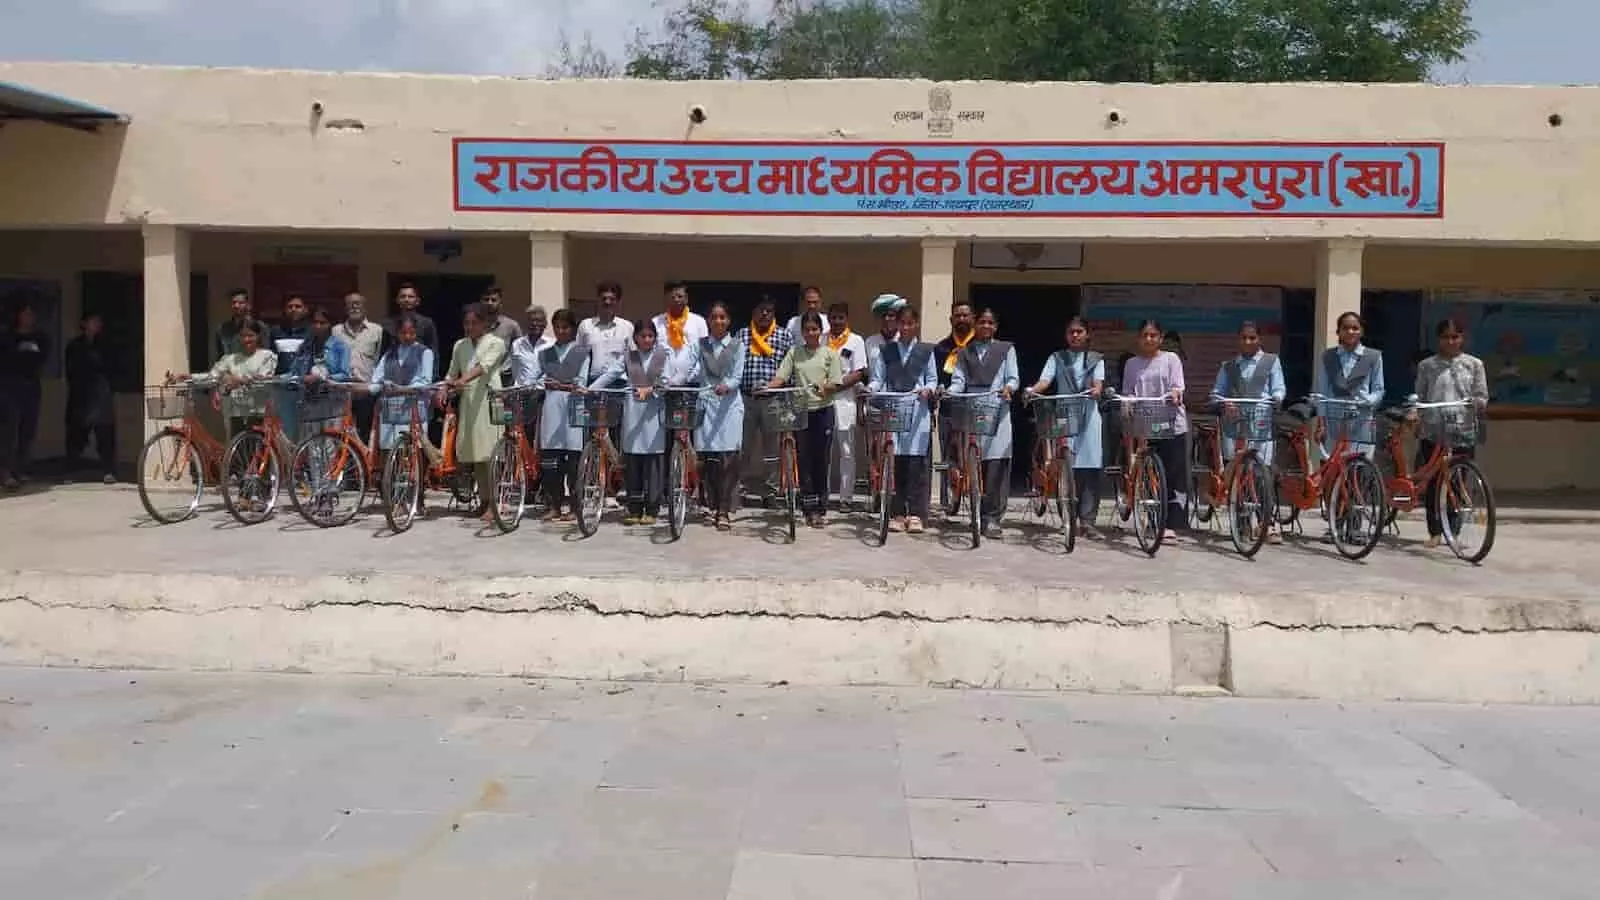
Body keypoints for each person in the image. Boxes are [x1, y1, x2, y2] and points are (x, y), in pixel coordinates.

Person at [590, 318, 694, 526]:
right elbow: (610, 374)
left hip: (654, 415)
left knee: (653, 463)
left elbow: (666, 382)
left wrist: (652, 389)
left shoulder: (662, 356)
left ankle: (652, 509)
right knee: (633, 463)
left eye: (650, 336)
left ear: (655, 338)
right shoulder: (628, 357)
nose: (647, 340)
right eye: (642, 336)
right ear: (635, 338)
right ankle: (634, 508)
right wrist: (591, 389)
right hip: (633, 414)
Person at [1412, 318, 1489, 549]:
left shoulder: (1474, 364)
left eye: (1455, 336)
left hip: (1462, 429)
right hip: (1433, 430)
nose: (1451, 341)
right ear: (1439, 339)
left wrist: (1476, 403)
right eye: (1446, 337)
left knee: (1457, 481)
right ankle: (1435, 531)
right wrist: (1416, 414)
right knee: (1434, 482)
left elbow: (1482, 395)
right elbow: (1420, 395)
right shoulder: (1427, 366)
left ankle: (1453, 531)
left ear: (1462, 338)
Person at [1209, 320, 1287, 543]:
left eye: (1252, 337)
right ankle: (1242, 522)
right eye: (1244, 337)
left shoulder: (1271, 361)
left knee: (1263, 473)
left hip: (1261, 422)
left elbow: (1279, 388)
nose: (1248, 341)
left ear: (1259, 339)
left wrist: (1276, 399)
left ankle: (1267, 523)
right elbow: (1217, 392)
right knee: (1238, 472)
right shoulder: (1228, 366)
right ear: (1238, 340)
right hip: (1235, 424)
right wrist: (1224, 402)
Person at [1028, 317, 1105, 537]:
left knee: (1090, 467)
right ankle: (1067, 520)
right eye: (1071, 332)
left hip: (1089, 414)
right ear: (1066, 335)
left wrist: (1097, 390)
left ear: (1087, 334)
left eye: (1079, 331)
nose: (1075, 335)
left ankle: (1088, 522)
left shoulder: (1096, 359)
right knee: (1063, 465)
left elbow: (1098, 383)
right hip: (1064, 412)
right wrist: (1033, 390)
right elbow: (1045, 380)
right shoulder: (1057, 358)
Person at [766, 311, 842, 528]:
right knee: (804, 460)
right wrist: (767, 387)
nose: (810, 333)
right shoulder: (794, 352)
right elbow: (781, 376)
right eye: (807, 330)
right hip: (801, 411)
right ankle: (808, 508)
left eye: (814, 329)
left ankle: (821, 507)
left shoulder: (829, 354)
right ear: (801, 332)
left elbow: (836, 382)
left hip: (823, 411)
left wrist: (825, 387)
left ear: (821, 331)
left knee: (821, 459)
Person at [950, 308, 1020, 539]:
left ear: (996, 326)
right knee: (973, 462)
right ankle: (976, 512)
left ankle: (993, 518)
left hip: (997, 407)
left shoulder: (1006, 349)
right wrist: (950, 392)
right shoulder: (964, 352)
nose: (986, 326)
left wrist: (1009, 388)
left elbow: (1013, 378)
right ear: (975, 324)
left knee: (997, 463)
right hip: (972, 408)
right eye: (982, 322)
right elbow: (958, 380)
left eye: (990, 322)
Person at [867, 304, 937, 534]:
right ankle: (897, 513)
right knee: (894, 463)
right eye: (902, 323)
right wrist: (871, 389)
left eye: (910, 323)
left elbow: (932, 379)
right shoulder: (887, 351)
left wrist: (928, 389)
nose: (906, 328)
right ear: (897, 324)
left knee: (916, 464)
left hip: (918, 411)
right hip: (894, 408)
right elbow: (878, 379)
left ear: (916, 325)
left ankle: (916, 514)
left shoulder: (926, 351)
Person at [1120, 319, 1189, 544]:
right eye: (1145, 335)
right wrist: (1127, 402)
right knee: (1149, 474)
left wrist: (1175, 394)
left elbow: (1178, 385)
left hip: (1171, 423)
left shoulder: (1171, 359)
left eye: (1153, 335)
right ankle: (1152, 520)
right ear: (1139, 338)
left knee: (1172, 475)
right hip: (1146, 423)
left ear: (1160, 338)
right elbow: (1128, 391)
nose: (1149, 339)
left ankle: (1170, 525)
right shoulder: (1132, 364)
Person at [445, 302, 509, 521]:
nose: (470, 327)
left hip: (490, 400)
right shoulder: (460, 345)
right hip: (469, 403)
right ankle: (483, 500)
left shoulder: (496, 343)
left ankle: (495, 503)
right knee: (477, 455)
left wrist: (462, 380)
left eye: (474, 323)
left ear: (485, 323)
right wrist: (444, 387)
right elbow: (452, 372)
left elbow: (484, 367)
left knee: (492, 454)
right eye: (467, 323)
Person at [529, 308, 589, 523]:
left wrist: (561, 385)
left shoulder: (581, 352)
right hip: (552, 408)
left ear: (573, 329)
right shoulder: (545, 353)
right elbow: (536, 378)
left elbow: (581, 382)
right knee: (551, 461)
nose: (561, 331)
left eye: (565, 327)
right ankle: (554, 505)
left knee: (573, 461)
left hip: (574, 406)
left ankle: (574, 506)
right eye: (557, 327)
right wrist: (540, 384)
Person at [693, 301, 746, 531]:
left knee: (729, 458)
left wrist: (727, 385)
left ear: (729, 320)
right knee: (707, 459)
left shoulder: (737, 345)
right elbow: (691, 368)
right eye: (714, 317)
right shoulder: (701, 345)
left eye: (722, 317)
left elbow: (737, 376)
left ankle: (724, 509)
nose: (718, 321)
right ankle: (711, 505)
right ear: (708, 320)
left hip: (729, 406)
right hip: (706, 403)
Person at [735, 298, 795, 501]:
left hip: (774, 399)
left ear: (774, 313)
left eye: (769, 310)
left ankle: (771, 490)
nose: (764, 314)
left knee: (772, 449)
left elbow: (791, 368)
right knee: (743, 446)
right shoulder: (742, 335)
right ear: (753, 313)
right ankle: (740, 488)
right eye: (760, 310)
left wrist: (788, 397)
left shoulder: (784, 335)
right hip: (746, 398)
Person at [369, 315, 441, 468]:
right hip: (391, 409)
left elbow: (425, 382)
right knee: (390, 450)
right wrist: (363, 387)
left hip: (414, 407)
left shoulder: (425, 352)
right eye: (403, 333)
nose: (407, 336)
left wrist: (403, 389)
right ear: (397, 333)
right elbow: (376, 380)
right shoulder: (389, 354)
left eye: (411, 333)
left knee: (414, 450)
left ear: (416, 333)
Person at [1313, 311, 1385, 460]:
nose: (1350, 332)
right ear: (1338, 331)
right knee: (1332, 463)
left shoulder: (1373, 356)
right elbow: (1322, 393)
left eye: (1355, 328)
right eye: (1345, 328)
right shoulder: (1328, 356)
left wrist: (1368, 400)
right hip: (1334, 419)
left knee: (1360, 464)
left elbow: (1379, 389)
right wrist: (1321, 424)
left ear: (1362, 331)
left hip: (1361, 418)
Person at [823, 302, 869, 510]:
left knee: (847, 450)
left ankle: (845, 498)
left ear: (847, 319)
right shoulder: (822, 339)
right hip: (823, 399)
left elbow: (859, 373)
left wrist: (835, 386)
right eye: (833, 317)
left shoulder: (856, 341)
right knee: (823, 449)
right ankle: (822, 494)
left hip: (845, 400)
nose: (836, 321)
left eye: (840, 318)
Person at [0, 301, 50, 490]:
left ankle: (21, 469)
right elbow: (8, 361)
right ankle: (6, 472)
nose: (29, 317)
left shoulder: (40, 338)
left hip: (32, 387)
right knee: (9, 430)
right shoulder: (7, 337)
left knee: (27, 430)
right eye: (25, 313)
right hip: (10, 388)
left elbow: (40, 359)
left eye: (31, 313)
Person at [64, 313, 118, 484]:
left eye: (98, 322)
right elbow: (71, 371)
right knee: (76, 434)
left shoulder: (105, 345)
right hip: (81, 394)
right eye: (93, 322)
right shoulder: (75, 346)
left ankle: (108, 470)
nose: (97, 325)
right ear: (84, 324)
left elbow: (111, 368)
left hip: (101, 393)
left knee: (105, 432)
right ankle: (71, 470)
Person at [334, 293, 384, 440]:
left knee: (365, 433)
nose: (354, 307)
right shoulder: (336, 331)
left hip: (366, 390)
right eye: (350, 304)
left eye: (358, 303)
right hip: (343, 391)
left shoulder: (377, 330)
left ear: (365, 308)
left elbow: (379, 359)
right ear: (345, 308)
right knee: (341, 433)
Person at [577, 281, 633, 372]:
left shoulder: (627, 327)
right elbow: (578, 357)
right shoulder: (585, 325)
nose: (607, 302)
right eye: (604, 298)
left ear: (618, 302)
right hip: (592, 379)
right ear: (598, 300)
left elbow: (633, 360)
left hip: (619, 380)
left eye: (612, 299)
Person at [385, 283, 439, 376]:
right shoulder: (388, 324)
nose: (406, 299)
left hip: (419, 375)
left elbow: (433, 351)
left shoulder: (426, 323)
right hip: (394, 375)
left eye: (410, 297)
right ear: (397, 300)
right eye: (403, 296)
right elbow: (384, 352)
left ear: (417, 301)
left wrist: (433, 376)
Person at [653, 281, 709, 358]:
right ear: (666, 300)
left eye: (680, 296)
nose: (676, 300)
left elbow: (705, 351)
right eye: (672, 297)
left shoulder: (699, 321)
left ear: (686, 298)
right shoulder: (656, 322)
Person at [270, 294, 313, 375]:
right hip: (279, 379)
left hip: (304, 379)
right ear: (284, 309)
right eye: (290, 307)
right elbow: (270, 356)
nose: (293, 309)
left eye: (298, 306)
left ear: (305, 309)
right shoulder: (275, 331)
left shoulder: (312, 332)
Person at [863, 293, 905, 371]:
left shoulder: (906, 341)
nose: (886, 319)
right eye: (883, 316)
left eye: (891, 316)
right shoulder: (870, 342)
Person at [214, 288, 254, 361]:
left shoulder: (258, 327)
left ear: (248, 305)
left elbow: (264, 356)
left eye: (241, 303)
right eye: (234, 302)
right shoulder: (222, 329)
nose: (236, 306)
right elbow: (219, 357)